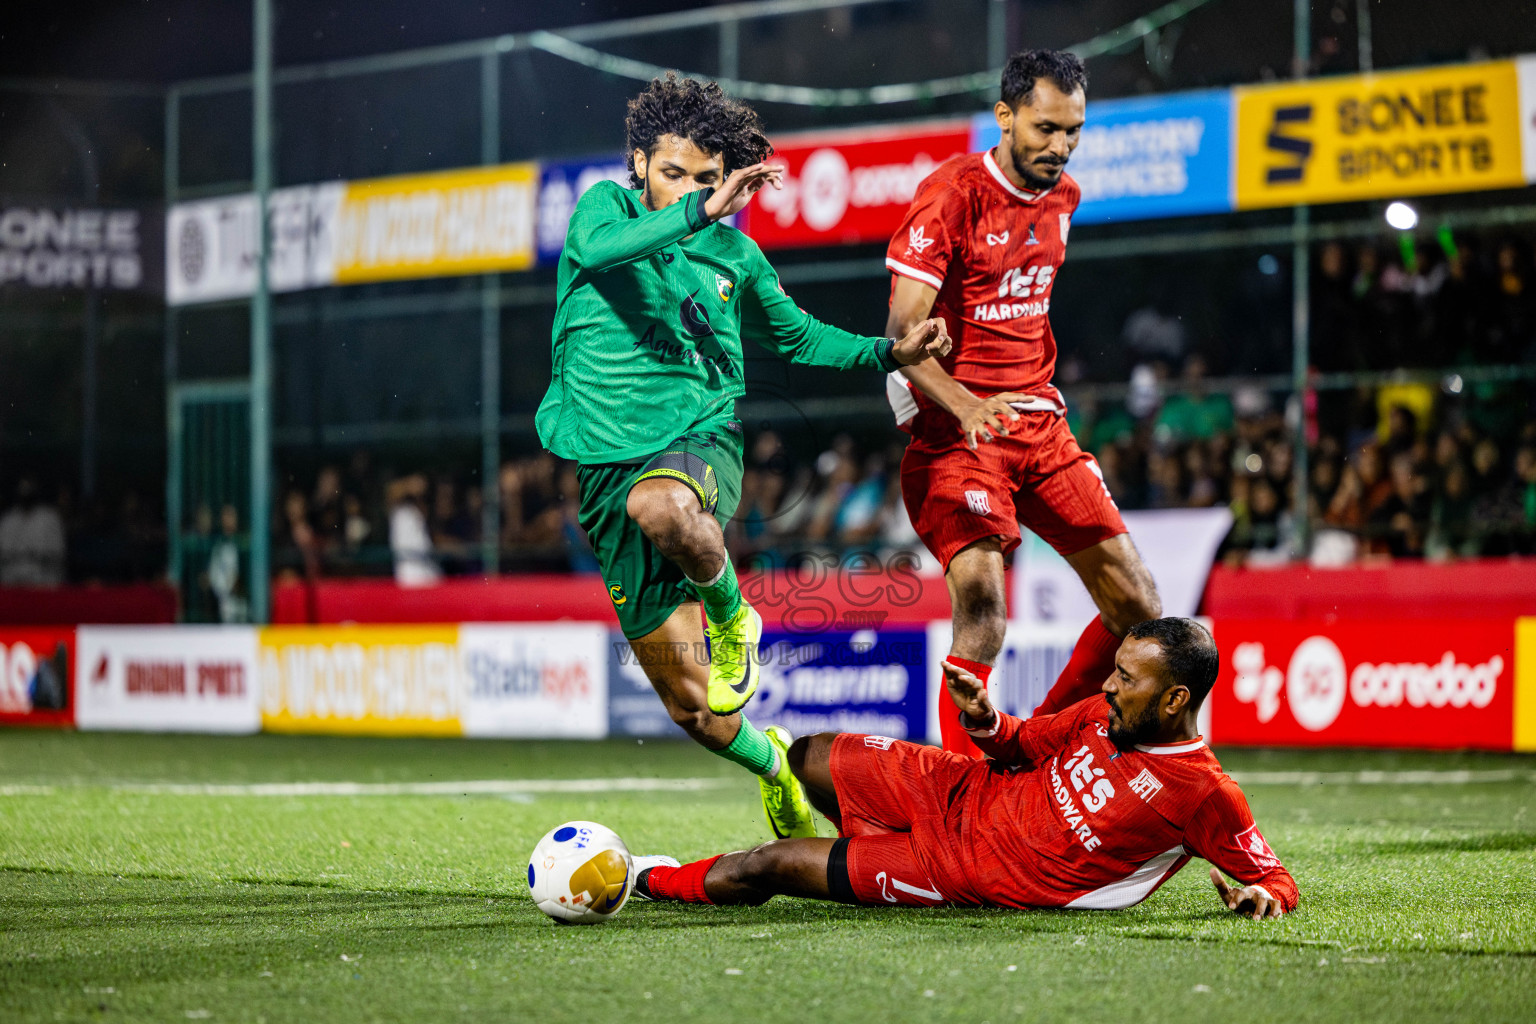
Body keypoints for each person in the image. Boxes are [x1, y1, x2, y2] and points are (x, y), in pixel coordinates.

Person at [534, 73, 951, 840]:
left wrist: (889, 351)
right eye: (673, 173)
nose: (691, 190)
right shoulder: (604, 210)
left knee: (661, 504)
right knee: (696, 710)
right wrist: (696, 211)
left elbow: (797, 336)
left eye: (706, 179)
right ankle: (777, 768)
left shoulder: (736, 256)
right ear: (639, 163)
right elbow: (596, 251)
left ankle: (733, 617)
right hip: (602, 469)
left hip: (697, 438)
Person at [632, 618, 1297, 920]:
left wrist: (1263, 896)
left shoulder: (1205, 794)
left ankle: (643, 877)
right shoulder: (1103, 711)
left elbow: (1274, 878)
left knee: (766, 864)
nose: (1110, 685)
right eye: (1115, 670)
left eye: (1127, 678)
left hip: (960, 870)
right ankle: (858, 846)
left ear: (1176, 700)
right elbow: (1022, 744)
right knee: (807, 754)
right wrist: (984, 717)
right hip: (960, 787)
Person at [881, 49, 1161, 756]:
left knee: (1140, 609)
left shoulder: (1064, 199)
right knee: (982, 609)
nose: (1060, 146)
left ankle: (1039, 743)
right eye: (1045, 128)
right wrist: (964, 403)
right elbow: (900, 334)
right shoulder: (951, 195)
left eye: (1073, 131)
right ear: (1004, 117)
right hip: (957, 436)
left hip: (1039, 426)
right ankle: (963, 790)